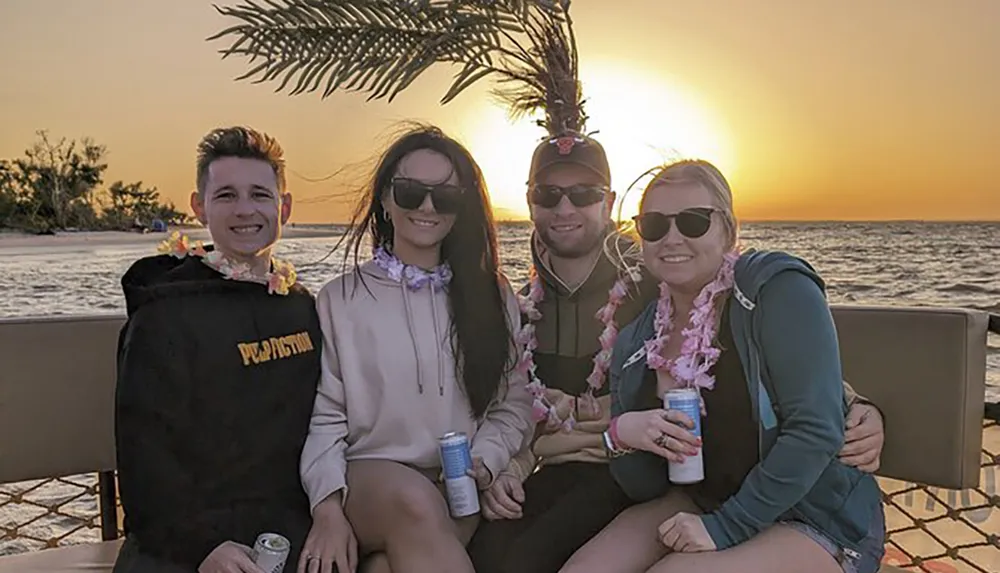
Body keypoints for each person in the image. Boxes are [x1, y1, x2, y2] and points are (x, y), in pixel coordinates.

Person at [467, 134, 887, 573]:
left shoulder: (771, 288)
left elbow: (812, 420)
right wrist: (622, 434)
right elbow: (645, 481)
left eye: (693, 221)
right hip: (701, 498)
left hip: (813, 513)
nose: (671, 238)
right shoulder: (640, 333)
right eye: (654, 225)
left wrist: (859, 405)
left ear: (728, 228)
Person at [297, 124, 534, 573]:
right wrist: (326, 507)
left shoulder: (492, 295)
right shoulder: (340, 298)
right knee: (414, 501)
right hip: (369, 479)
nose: (426, 207)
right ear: (386, 200)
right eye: (410, 192)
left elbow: (512, 403)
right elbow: (325, 416)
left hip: (458, 484)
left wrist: (483, 464)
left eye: (444, 196)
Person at [113, 126, 317, 573]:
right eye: (226, 195)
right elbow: (145, 455)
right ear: (199, 206)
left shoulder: (302, 307)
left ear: (283, 206)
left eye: (260, 195)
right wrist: (204, 546)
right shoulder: (164, 312)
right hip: (184, 541)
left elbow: (332, 423)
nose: (245, 210)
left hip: (290, 531)